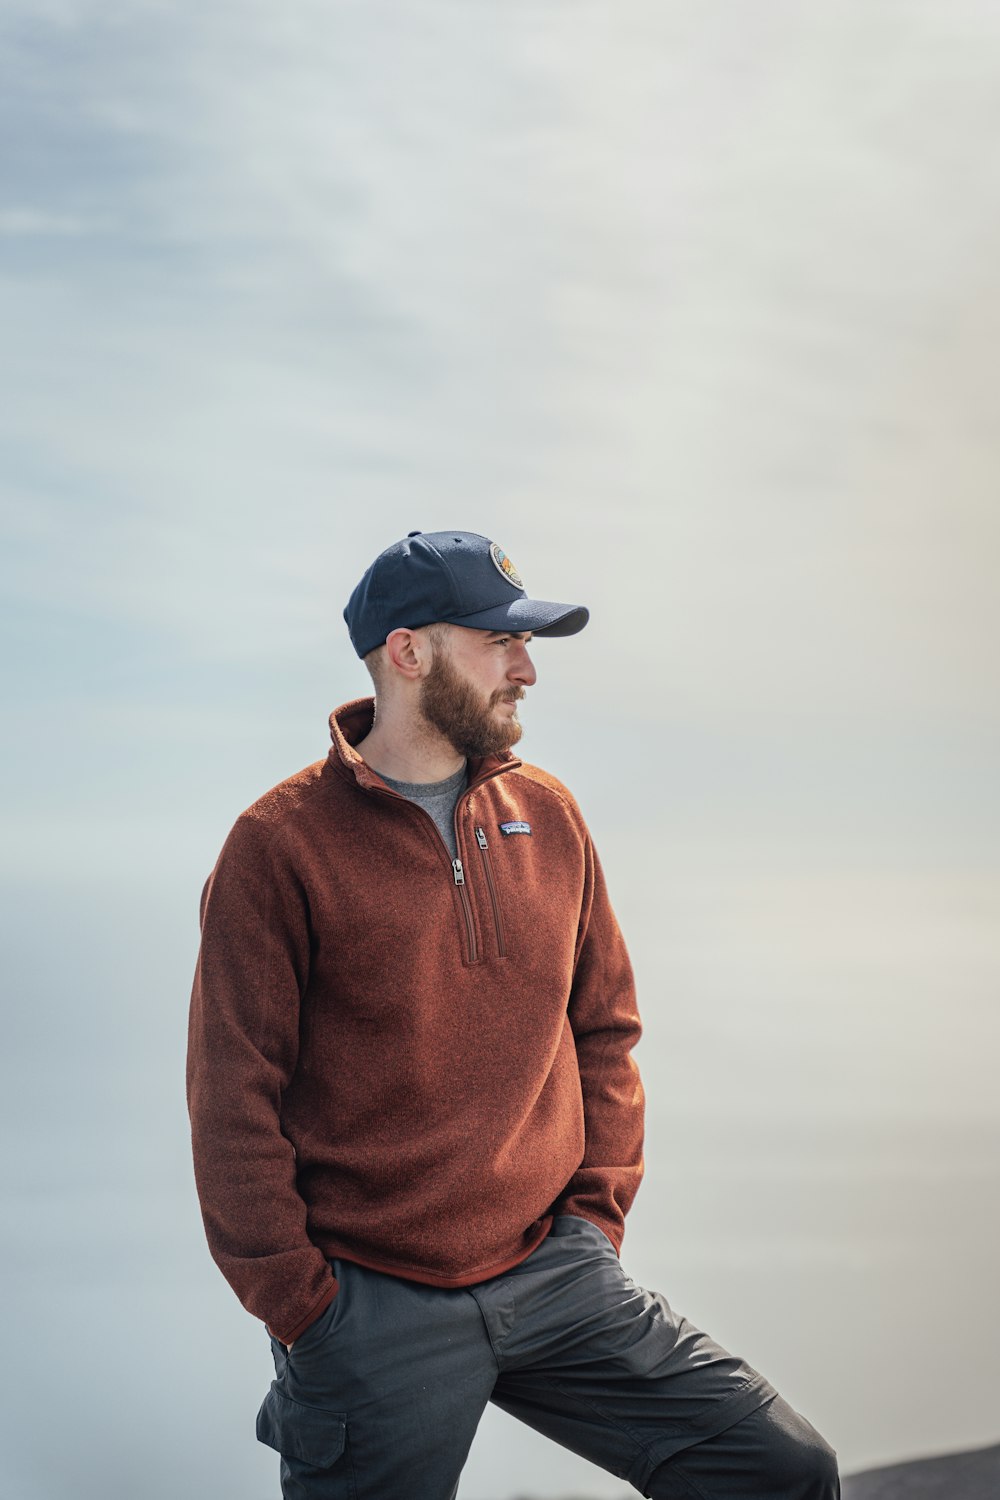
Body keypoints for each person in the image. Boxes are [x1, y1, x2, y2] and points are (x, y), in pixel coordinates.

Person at [187, 530, 839, 1500]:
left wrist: (593, 1220)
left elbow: (605, 1029)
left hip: (555, 1272)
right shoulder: (277, 848)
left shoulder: (552, 817)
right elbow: (232, 1098)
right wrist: (305, 1309)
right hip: (373, 1309)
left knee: (779, 1471)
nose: (527, 670)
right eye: (500, 642)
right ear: (408, 653)